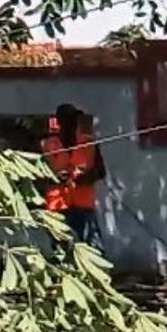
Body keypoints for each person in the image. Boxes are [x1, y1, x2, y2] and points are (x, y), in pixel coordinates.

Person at [40, 102, 106, 248]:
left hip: (83, 205)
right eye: (67, 119)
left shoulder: (89, 143)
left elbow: (101, 171)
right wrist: (55, 178)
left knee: (85, 248)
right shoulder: (48, 144)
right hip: (57, 205)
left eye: (73, 119)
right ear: (60, 121)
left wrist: (85, 178)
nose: (71, 123)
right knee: (61, 249)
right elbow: (37, 174)